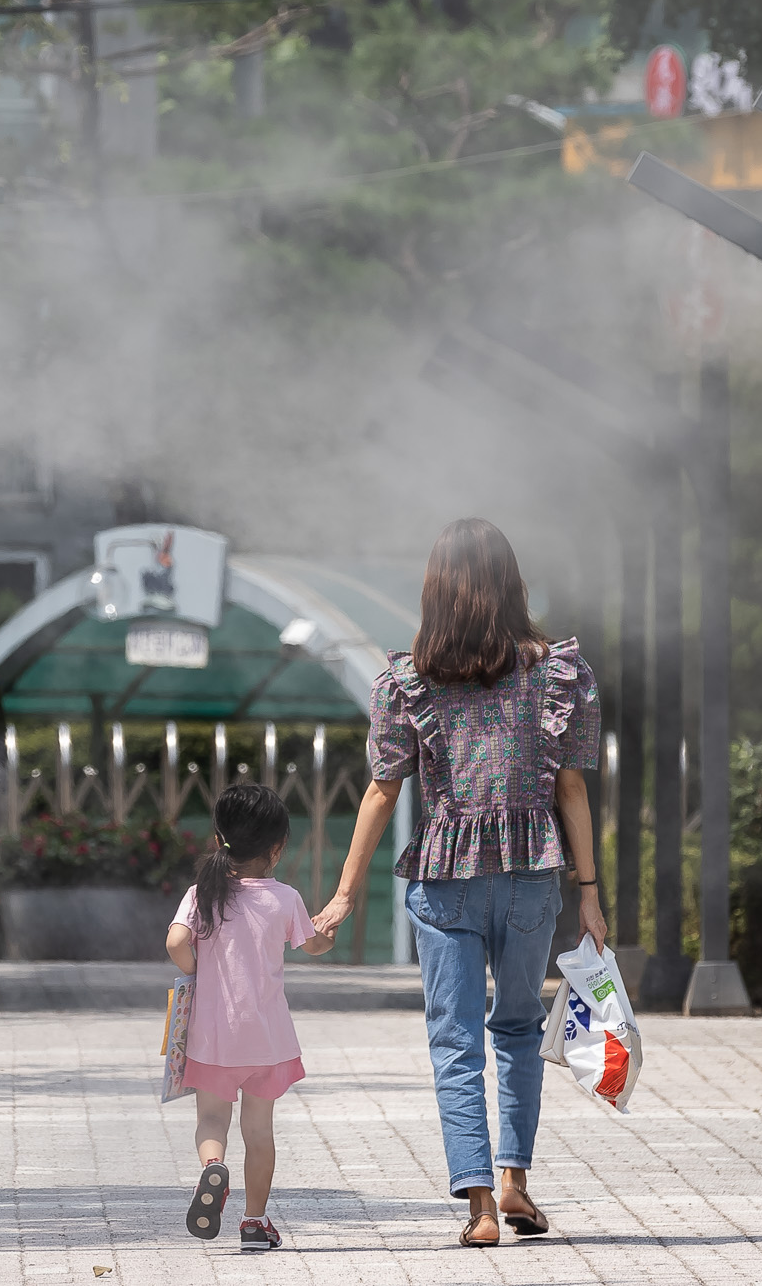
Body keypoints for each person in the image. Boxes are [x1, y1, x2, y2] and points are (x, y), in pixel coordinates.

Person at [314, 517, 606, 1247]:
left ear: (435, 589)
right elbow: (571, 788)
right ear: (512, 583)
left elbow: (382, 790)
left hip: (446, 875)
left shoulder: (408, 677)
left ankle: (479, 1206)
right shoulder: (558, 669)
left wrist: (345, 894)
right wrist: (592, 893)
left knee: (455, 1042)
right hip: (531, 874)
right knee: (518, 1027)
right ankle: (516, 1180)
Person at [166, 783, 334, 1252]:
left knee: (212, 1121)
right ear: (278, 848)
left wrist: (198, 970)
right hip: (267, 1041)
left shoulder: (202, 894)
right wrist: (326, 931)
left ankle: (212, 1168)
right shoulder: (284, 898)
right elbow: (315, 944)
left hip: (212, 1038)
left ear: (219, 839)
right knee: (259, 1131)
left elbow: (176, 943)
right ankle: (255, 1223)